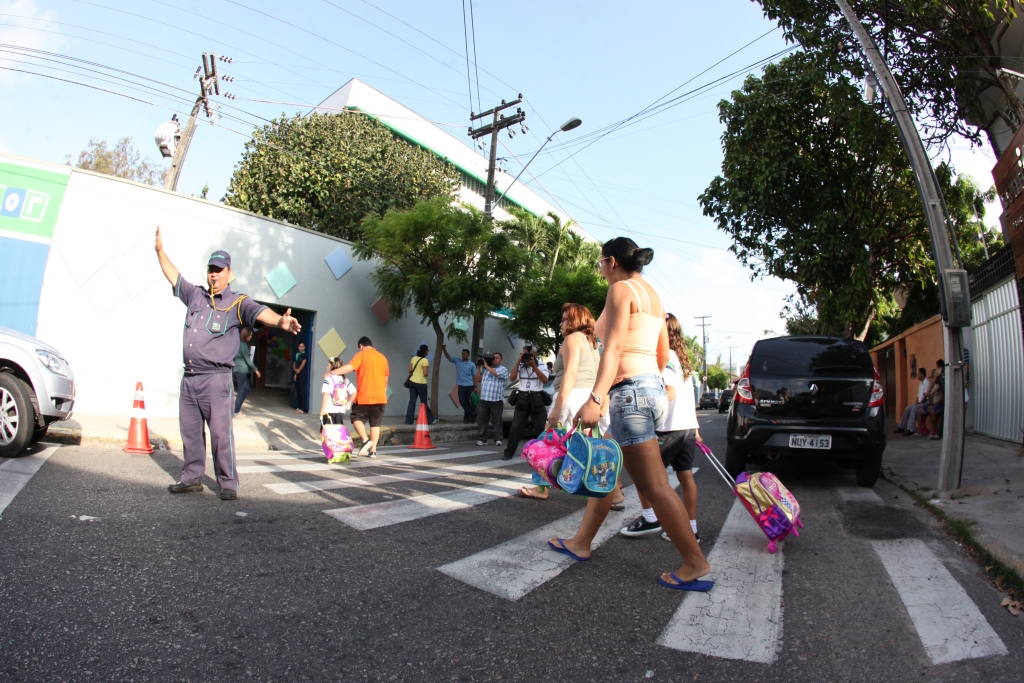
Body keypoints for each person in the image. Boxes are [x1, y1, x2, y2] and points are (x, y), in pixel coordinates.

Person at [548, 237, 713, 592]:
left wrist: (598, 396)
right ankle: (581, 542)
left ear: (611, 262)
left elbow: (616, 347)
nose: (600, 269)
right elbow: (662, 355)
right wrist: (638, 385)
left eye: (599, 263)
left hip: (631, 395)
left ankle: (695, 563)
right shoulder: (652, 294)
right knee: (603, 469)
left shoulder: (621, 290)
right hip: (647, 391)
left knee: (653, 484)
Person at [154, 226, 301, 501]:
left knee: (221, 434)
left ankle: (227, 482)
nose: (214, 273)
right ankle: (192, 477)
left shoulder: (237, 302)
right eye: (211, 268)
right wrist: (160, 251)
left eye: (219, 269)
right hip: (191, 378)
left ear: (228, 273)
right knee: (190, 432)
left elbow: (259, 312)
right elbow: (174, 277)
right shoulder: (196, 296)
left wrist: (281, 320)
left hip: (217, 379)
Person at [517, 303, 621, 510]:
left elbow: (570, 373)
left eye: (564, 319)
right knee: (594, 445)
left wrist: (557, 406)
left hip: (572, 397)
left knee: (546, 441)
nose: (561, 323)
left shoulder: (572, 339)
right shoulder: (593, 342)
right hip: (591, 398)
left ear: (575, 321)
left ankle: (541, 489)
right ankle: (614, 493)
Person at [620, 313, 702, 542]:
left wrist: (640, 404)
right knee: (685, 477)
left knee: (645, 477)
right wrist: (695, 428)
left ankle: (650, 518)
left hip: (668, 427)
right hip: (685, 426)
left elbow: (669, 393)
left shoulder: (665, 358)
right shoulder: (683, 360)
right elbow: (687, 396)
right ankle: (692, 528)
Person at [331, 337, 389, 457]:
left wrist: (333, 373)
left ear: (361, 346)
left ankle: (365, 440)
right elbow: (385, 379)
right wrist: (383, 393)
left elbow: (350, 367)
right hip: (380, 397)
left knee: (356, 417)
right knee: (375, 424)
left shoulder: (361, 354)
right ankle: (373, 451)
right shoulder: (382, 358)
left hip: (364, 395)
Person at [503, 345, 549, 461]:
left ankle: (545, 453)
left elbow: (544, 380)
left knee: (541, 428)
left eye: (529, 354)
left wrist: (534, 366)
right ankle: (509, 452)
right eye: (524, 354)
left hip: (536, 398)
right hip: (522, 397)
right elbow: (512, 378)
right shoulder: (521, 365)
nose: (527, 357)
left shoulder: (542, 365)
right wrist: (518, 361)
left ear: (536, 354)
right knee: (516, 427)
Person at [475, 352, 508, 446]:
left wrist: (486, 366)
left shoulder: (503, 369)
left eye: (497, 358)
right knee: (482, 421)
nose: (494, 359)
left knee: (496, 421)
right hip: (484, 399)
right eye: (493, 357)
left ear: (501, 360)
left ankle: (498, 439)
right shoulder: (486, 370)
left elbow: (496, 373)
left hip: (496, 400)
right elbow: (477, 379)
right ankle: (482, 439)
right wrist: (478, 367)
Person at [443, 344, 478, 423]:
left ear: (468, 355)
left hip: (470, 385)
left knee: (468, 401)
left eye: (465, 354)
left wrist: (475, 386)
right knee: (462, 400)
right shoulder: (458, 361)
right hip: (461, 385)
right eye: (462, 353)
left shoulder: (472, 364)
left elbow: (474, 376)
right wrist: (444, 349)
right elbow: (448, 356)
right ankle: (472, 413)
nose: (463, 355)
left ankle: (466, 417)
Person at [320, 357, 356, 427]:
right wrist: (349, 403)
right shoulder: (345, 380)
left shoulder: (329, 379)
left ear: (331, 367)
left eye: (328, 365)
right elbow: (354, 391)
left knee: (328, 431)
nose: (327, 367)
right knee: (338, 431)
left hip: (329, 410)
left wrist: (323, 408)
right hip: (340, 410)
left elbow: (326, 394)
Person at [405, 344, 436, 425]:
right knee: (423, 402)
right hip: (421, 384)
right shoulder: (425, 360)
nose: (428, 352)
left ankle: (409, 420)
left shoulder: (413, 358)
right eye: (427, 350)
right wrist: (427, 373)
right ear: (425, 351)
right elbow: (425, 374)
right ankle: (430, 419)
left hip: (412, 382)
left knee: (412, 401)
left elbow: (409, 370)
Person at [232, 327, 260, 416]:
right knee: (242, 389)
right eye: (250, 335)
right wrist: (256, 370)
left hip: (238, 369)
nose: (251, 337)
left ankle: (236, 408)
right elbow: (248, 360)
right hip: (241, 370)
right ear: (246, 335)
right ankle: (236, 411)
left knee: (246, 388)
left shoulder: (238, 344)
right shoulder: (243, 345)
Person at [894, 367, 930, 436]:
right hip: (919, 402)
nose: (918, 375)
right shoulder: (920, 383)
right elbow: (918, 395)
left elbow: (925, 397)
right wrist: (916, 402)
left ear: (922, 374)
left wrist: (918, 404)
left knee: (914, 409)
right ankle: (901, 427)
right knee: (908, 408)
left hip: (925, 403)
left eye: (919, 373)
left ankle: (911, 429)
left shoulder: (927, 383)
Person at [924, 359, 946, 440]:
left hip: (945, 396)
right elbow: (939, 386)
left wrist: (928, 392)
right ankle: (940, 433)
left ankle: (939, 434)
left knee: (944, 415)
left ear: (937, 365)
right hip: (947, 394)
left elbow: (933, 383)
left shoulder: (938, 371)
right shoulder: (946, 371)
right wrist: (930, 393)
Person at [290, 341, 309, 414]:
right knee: (297, 391)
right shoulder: (297, 354)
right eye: (300, 346)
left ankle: (302, 408)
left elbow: (303, 363)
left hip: (302, 374)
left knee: (302, 391)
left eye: (302, 346)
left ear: (304, 348)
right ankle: (298, 407)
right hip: (297, 373)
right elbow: (294, 363)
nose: (301, 348)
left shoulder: (305, 354)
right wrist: (295, 370)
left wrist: (299, 370)